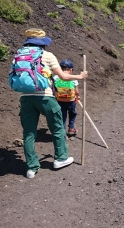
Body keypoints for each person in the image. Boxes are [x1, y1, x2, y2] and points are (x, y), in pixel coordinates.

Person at [18, 28, 88, 179]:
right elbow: (62, 76)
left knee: (29, 133)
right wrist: (80, 76)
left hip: (25, 98)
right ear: (42, 43)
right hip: (45, 97)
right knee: (57, 127)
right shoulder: (47, 55)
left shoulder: (19, 55)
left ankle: (31, 168)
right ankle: (60, 159)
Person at [53, 59, 80, 137]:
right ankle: (71, 128)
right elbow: (76, 91)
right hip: (71, 101)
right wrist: (77, 97)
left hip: (59, 101)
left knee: (62, 116)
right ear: (71, 70)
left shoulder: (56, 78)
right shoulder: (73, 78)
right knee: (72, 113)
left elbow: (53, 88)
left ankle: (62, 132)